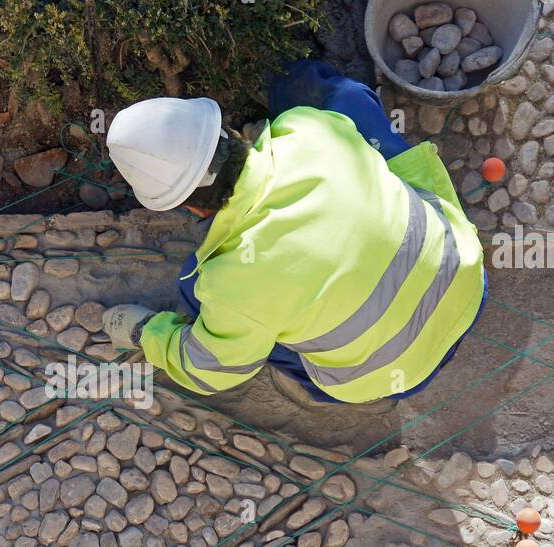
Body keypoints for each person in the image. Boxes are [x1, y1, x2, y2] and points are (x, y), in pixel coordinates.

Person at [101, 59, 487, 409]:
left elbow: (209, 370)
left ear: (187, 206)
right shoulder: (309, 129)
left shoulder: (228, 284)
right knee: (346, 100)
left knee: (194, 288)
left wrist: (145, 333)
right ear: (227, 131)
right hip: (466, 281)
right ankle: (278, 67)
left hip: (393, 377)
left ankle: (338, 384)